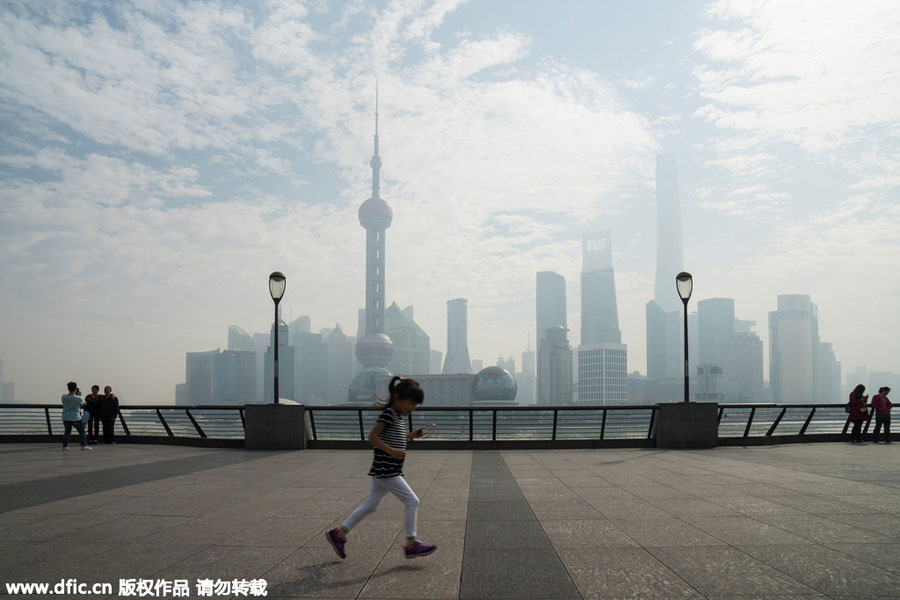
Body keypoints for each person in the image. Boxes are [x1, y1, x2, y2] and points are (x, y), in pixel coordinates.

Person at [326, 376, 436, 560]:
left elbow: (394, 438)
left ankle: (338, 534)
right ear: (397, 398)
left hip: (383, 470)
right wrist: (392, 451)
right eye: (411, 403)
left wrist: (411, 436)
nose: (413, 408)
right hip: (387, 471)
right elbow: (373, 437)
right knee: (412, 502)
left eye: (415, 405)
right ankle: (411, 544)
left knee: (370, 506)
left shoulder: (397, 417)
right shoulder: (388, 415)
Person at [61, 381, 92, 451]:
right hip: (75, 417)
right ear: (75, 388)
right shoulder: (78, 398)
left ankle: (65, 446)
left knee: (67, 432)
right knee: (82, 431)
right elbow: (85, 404)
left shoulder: (63, 397)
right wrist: (79, 396)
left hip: (65, 417)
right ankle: (83, 445)